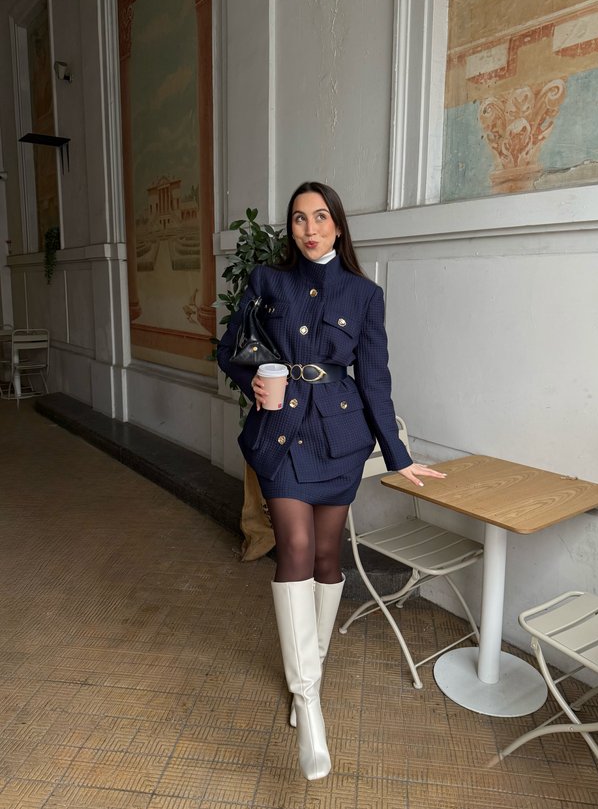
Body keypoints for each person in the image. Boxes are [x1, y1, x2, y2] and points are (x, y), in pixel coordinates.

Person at [217, 181, 445, 780]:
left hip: (340, 440)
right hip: (282, 437)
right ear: (289, 229)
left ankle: (310, 667)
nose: (309, 228)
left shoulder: (366, 295)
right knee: (292, 547)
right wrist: (254, 382)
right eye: (298, 219)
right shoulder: (269, 281)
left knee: (325, 554)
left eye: (320, 217)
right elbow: (231, 348)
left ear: (338, 226)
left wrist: (398, 455)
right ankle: (309, 702)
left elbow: (375, 378)